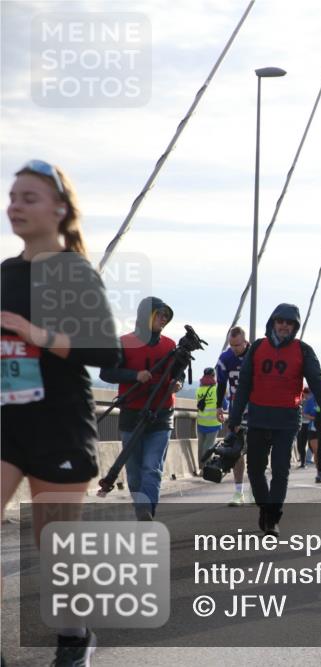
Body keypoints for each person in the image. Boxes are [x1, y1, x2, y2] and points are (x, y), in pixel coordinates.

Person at [2, 159, 121, 665]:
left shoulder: (72, 272)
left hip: (61, 425)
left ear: (60, 209)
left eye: (29, 197)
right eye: (12, 197)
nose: (15, 206)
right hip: (8, 419)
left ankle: (74, 636)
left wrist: (38, 336)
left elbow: (108, 355)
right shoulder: (5, 273)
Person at [227, 304, 321, 536]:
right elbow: (244, 384)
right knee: (254, 469)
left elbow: (318, 384)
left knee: (280, 469)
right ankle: (265, 509)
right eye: (280, 321)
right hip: (258, 417)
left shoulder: (303, 350)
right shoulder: (257, 348)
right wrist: (234, 417)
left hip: (286, 419)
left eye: (289, 322)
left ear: (295, 326)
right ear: (273, 322)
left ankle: (273, 518)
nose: (284, 325)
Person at [100, 296, 182, 520]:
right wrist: (134, 375)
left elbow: (177, 373)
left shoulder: (170, 345)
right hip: (131, 414)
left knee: (151, 469)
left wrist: (178, 383)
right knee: (135, 473)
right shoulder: (123, 342)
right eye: (160, 314)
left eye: (166, 316)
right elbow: (106, 372)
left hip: (162, 414)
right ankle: (142, 512)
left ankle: (146, 514)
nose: (164, 319)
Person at [215, 326, 250, 506]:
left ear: (245, 342)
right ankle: (239, 492)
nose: (234, 348)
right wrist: (219, 406)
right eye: (231, 344)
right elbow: (221, 384)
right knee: (236, 451)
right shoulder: (226, 358)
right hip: (237, 409)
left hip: (257, 409)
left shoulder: (255, 355)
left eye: (238, 345)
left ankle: (257, 487)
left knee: (257, 452)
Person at [195, 367, 222, 466]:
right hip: (213, 423)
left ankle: (201, 467)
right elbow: (225, 404)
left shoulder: (199, 390)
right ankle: (205, 468)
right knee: (209, 446)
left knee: (201, 446)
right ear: (213, 376)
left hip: (201, 422)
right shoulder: (217, 389)